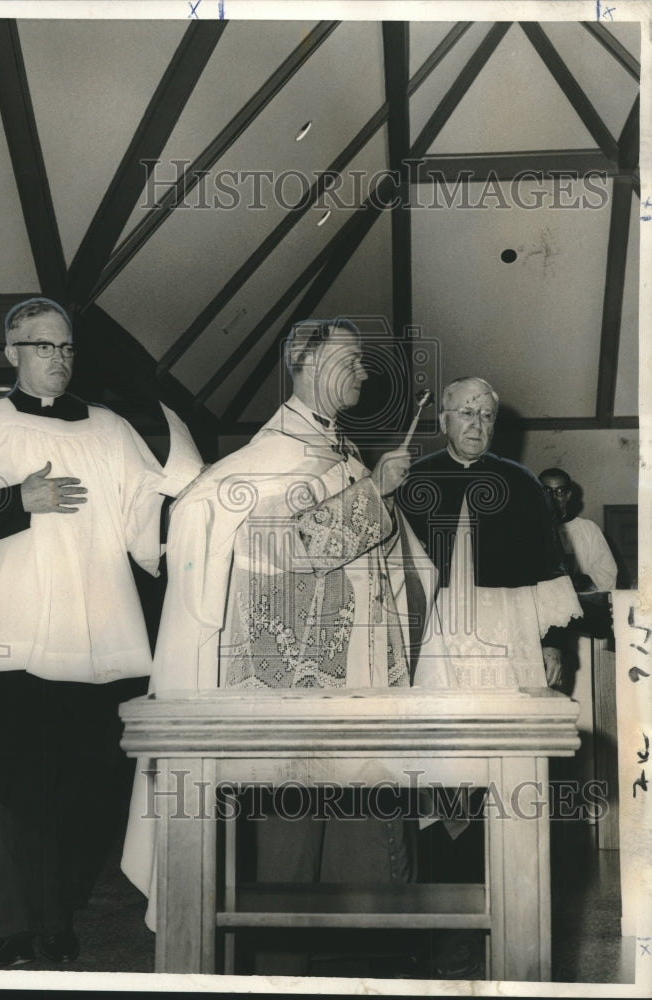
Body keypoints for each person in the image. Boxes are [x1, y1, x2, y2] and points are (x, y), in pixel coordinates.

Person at [122, 318, 453, 969]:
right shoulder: (257, 467)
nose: (365, 373)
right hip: (286, 710)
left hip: (359, 699)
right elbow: (277, 553)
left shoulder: (343, 458)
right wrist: (373, 499)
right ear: (304, 362)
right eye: (352, 359)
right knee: (286, 868)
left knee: (361, 871)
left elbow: (401, 571)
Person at [0, 297, 203, 967]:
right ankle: (16, 930)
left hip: (96, 644)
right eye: (44, 347)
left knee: (85, 794)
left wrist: (187, 497)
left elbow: (144, 532)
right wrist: (16, 502)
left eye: (66, 348)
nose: (59, 359)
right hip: (7, 647)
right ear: (12, 354)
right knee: (10, 799)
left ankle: (58, 916)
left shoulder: (109, 430)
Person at [397, 377, 582, 690]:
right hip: (438, 631)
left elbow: (549, 567)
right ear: (444, 421)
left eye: (486, 416)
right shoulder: (415, 479)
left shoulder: (522, 483)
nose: (476, 425)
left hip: (509, 626)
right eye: (467, 413)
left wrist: (553, 644)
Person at [538, 468, 617, 593]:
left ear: (568, 495)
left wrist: (579, 583)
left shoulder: (588, 529)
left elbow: (607, 572)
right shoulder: (527, 530)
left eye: (559, 491)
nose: (553, 497)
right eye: (546, 490)